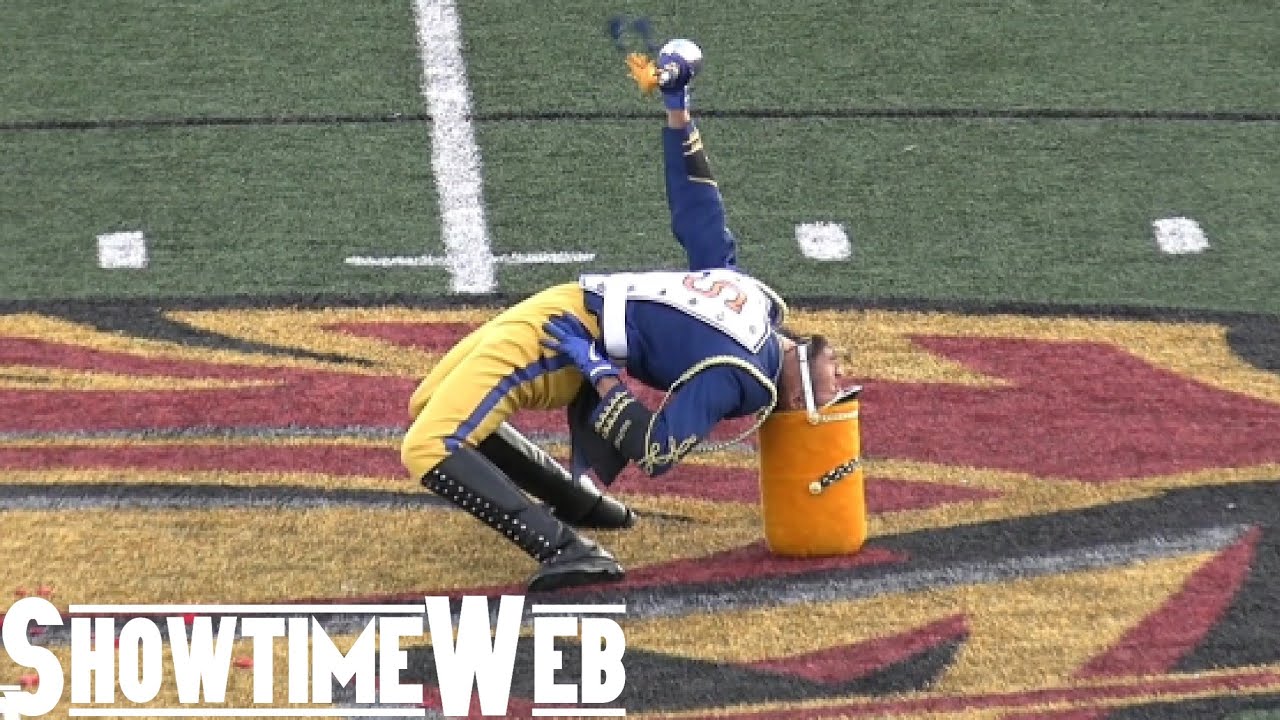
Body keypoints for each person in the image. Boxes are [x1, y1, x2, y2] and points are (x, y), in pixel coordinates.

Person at [400, 39, 847, 592]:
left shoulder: (743, 376)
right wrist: (678, 109)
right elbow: (698, 210)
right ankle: (582, 504)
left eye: (835, 389)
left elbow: (655, 451)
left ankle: (569, 549)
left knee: (429, 445)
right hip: (567, 314)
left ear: (798, 401)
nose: (841, 377)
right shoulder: (756, 308)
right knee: (426, 404)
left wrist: (596, 371)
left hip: (564, 337)